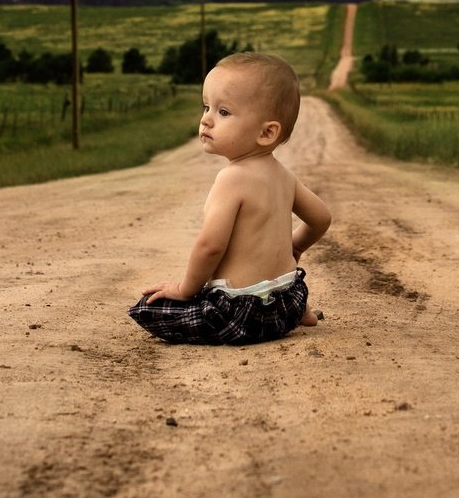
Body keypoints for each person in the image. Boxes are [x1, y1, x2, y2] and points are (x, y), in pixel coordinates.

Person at [129, 51, 331, 345]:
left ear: (266, 132)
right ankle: (304, 314)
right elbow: (321, 219)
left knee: (149, 305)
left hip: (241, 315)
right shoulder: (285, 176)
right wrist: (295, 246)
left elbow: (210, 247)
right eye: (207, 107)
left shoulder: (231, 178)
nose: (206, 120)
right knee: (285, 282)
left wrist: (186, 289)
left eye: (223, 112)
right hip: (289, 302)